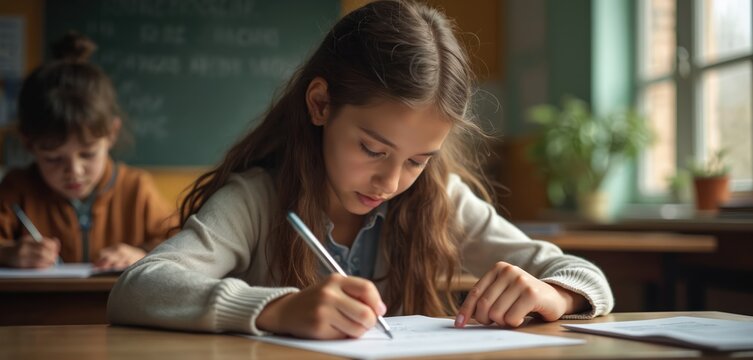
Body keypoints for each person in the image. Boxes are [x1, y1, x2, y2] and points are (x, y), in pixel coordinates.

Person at [107, 0, 614, 339]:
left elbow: (588, 277)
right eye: (373, 149)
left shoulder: (441, 199)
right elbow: (140, 286)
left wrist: (557, 293)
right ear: (321, 103)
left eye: (417, 160)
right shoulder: (257, 199)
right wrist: (275, 309)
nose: (391, 183)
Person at [0, 32, 177, 269]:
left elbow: (183, 244)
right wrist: (8, 253)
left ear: (111, 134)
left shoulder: (137, 190)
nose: (74, 171)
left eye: (88, 154)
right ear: (28, 142)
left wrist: (141, 254)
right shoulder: (16, 190)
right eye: (53, 158)